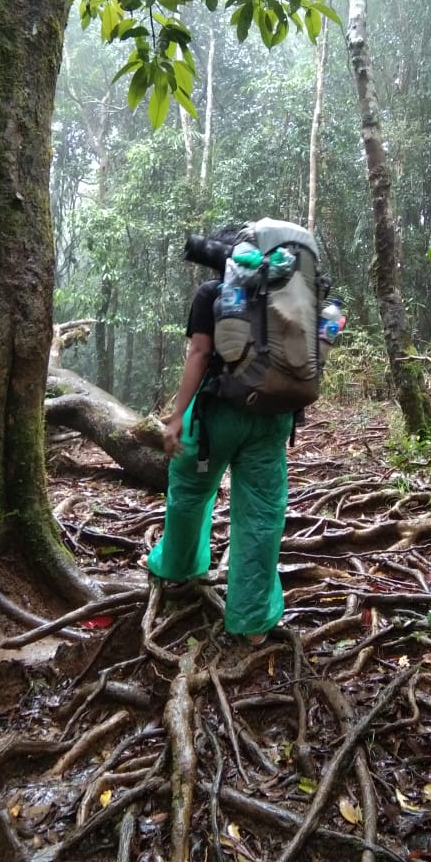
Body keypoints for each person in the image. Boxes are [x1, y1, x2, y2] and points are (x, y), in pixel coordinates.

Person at [145, 230, 294, 644]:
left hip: (215, 415)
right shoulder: (286, 296)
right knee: (263, 514)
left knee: (190, 492)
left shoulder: (210, 293)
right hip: (271, 418)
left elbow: (200, 354)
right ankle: (253, 621)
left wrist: (176, 417)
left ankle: (177, 569)